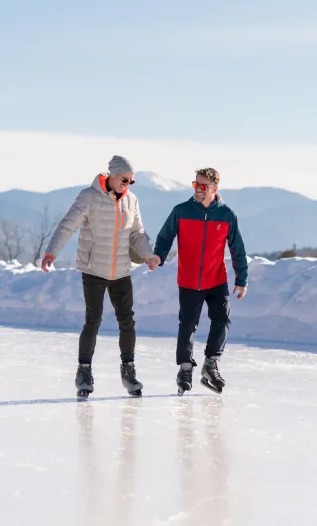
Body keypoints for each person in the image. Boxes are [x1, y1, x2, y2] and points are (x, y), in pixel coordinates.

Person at [41, 155, 155, 397]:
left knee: (127, 321)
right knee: (93, 320)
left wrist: (148, 256)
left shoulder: (131, 201)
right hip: (94, 269)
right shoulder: (88, 197)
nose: (128, 184)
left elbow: (137, 234)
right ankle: (84, 371)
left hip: (122, 270)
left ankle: (128, 370)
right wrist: (51, 252)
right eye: (125, 179)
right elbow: (67, 226)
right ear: (112, 175)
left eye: (132, 181)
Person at [150, 168, 248, 394]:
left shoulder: (226, 215)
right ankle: (185, 368)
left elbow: (238, 249)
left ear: (214, 189)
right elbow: (165, 236)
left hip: (216, 279)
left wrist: (241, 279)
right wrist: (158, 257)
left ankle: (211, 364)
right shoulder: (181, 211)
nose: (198, 190)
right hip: (189, 279)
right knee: (187, 325)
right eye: (195, 185)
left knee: (222, 319)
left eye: (203, 186)